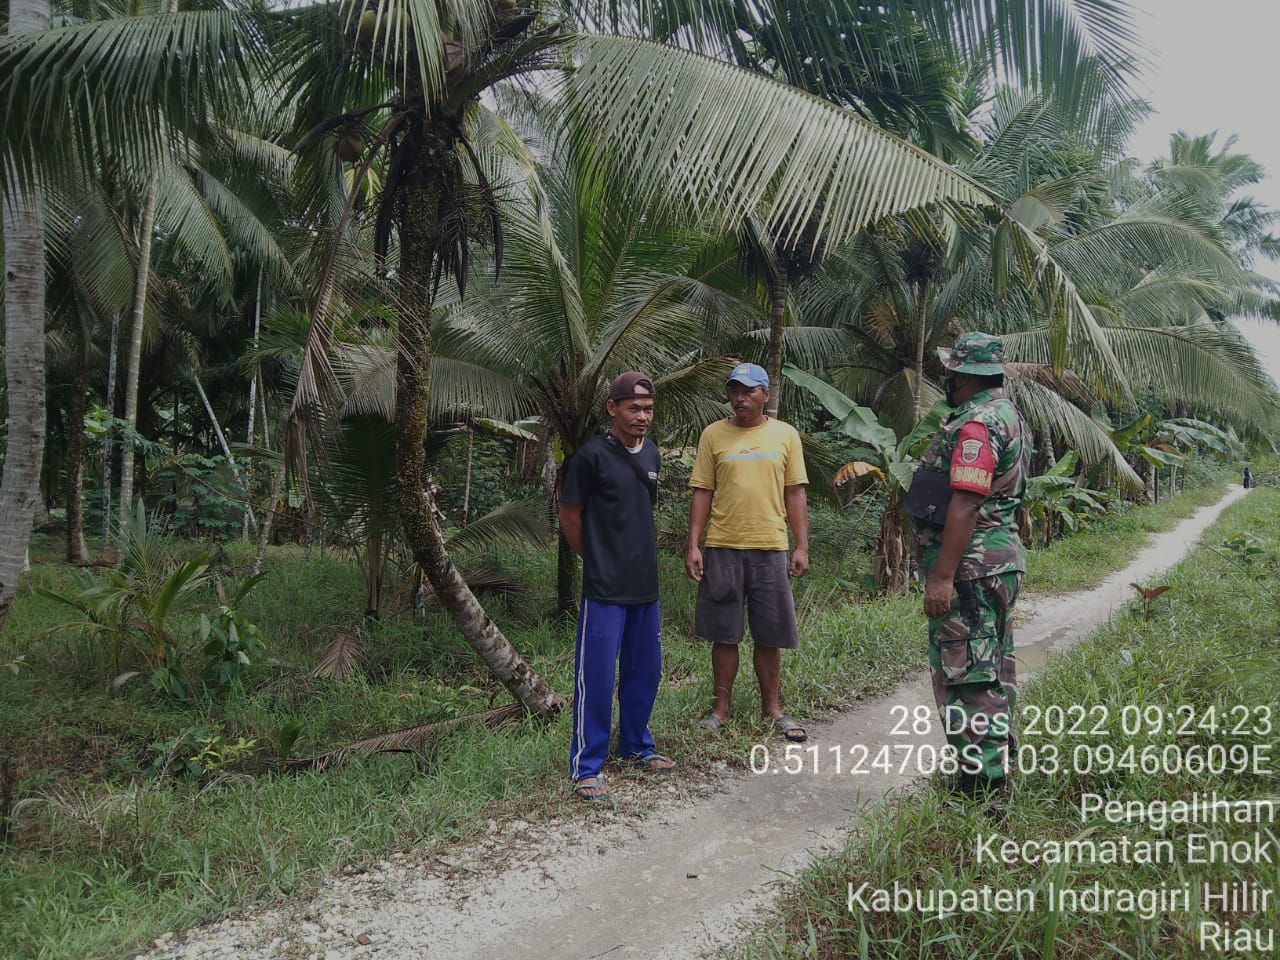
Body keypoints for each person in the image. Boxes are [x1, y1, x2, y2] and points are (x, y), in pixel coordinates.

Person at [908, 332, 1030, 800]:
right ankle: (995, 761)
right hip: (999, 562)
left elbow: (965, 502)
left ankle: (982, 786)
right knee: (993, 665)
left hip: (971, 569)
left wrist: (941, 576)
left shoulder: (977, 424)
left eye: (951, 370)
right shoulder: (1008, 414)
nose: (947, 378)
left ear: (963, 375)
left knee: (969, 674)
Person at [559, 372, 675, 801]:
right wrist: (597, 558)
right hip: (604, 588)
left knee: (645, 672)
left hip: (645, 586)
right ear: (612, 408)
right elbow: (570, 516)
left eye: (648, 409)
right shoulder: (590, 458)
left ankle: (636, 748)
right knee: (596, 676)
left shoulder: (654, 456)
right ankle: (586, 766)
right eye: (633, 408)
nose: (642, 417)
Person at [685, 362, 810, 742]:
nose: (740, 398)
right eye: (734, 391)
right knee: (724, 633)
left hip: (771, 546)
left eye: (749, 391)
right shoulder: (713, 435)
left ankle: (772, 708)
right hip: (722, 545)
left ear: (765, 395)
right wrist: (694, 543)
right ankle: (720, 710)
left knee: (769, 634)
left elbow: (795, 492)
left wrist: (801, 544)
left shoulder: (785, 436)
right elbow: (702, 490)